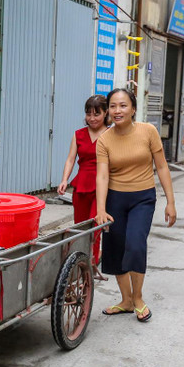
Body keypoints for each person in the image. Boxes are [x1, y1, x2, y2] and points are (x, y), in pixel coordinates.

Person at [95, 88, 177, 322]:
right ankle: (126, 301)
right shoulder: (104, 139)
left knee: (135, 244)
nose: (117, 110)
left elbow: (162, 166)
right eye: (112, 106)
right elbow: (102, 176)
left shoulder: (148, 131)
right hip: (115, 199)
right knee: (116, 247)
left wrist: (170, 201)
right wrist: (101, 209)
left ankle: (138, 298)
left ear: (133, 108)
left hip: (143, 197)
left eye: (122, 105)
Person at [57, 94, 108, 279]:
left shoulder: (111, 134)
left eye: (97, 113)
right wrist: (64, 179)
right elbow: (71, 159)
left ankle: (91, 264)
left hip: (102, 186)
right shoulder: (78, 134)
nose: (92, 118)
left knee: (95, 226)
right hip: (81, 184)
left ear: (105, 113)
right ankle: (79, 263)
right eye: (88, 114)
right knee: (80, 227)